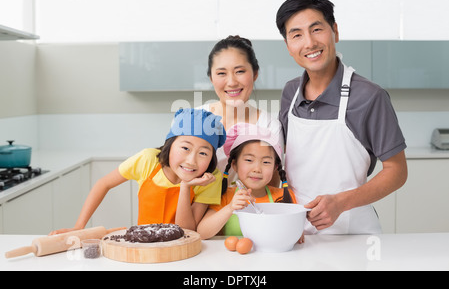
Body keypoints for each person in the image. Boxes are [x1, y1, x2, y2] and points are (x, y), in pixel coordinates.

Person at [276, 0, 408, 234]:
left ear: (334, 31)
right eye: (296, 35)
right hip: (297, 234)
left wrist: (340, 203)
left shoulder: (369, 96)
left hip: (353, 234)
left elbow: (397, 171)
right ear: (288, 46)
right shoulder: (290, 92)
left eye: (317, 29)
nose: (309, 43)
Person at [50, 108, 226, 235]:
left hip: (182, 249)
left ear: (211, 158)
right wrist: (79, 226)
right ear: (170, 144)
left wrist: (186, 186)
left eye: (203, 153)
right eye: (185, 148)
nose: (191, 160)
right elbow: (104, 183)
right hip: (144, 245)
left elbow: (188, 230)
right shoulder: (148, 160)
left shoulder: (211, 178)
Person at [201, 35, 283, 187]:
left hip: (246, 209)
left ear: (255, 74)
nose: (231, 82)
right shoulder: (193, 120)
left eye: (239, 71)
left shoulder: (269, 126)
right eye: (221, 73)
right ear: (211, 78)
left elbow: (270, 191)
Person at [196, 123, 297, 240]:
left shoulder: (284, 197)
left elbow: (293, 231)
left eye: (266, 162)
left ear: (275, 167)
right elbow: (202, 232)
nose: (257, 169)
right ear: (234, 164)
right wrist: (230, 208)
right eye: (249, 160)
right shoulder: (225, 196)